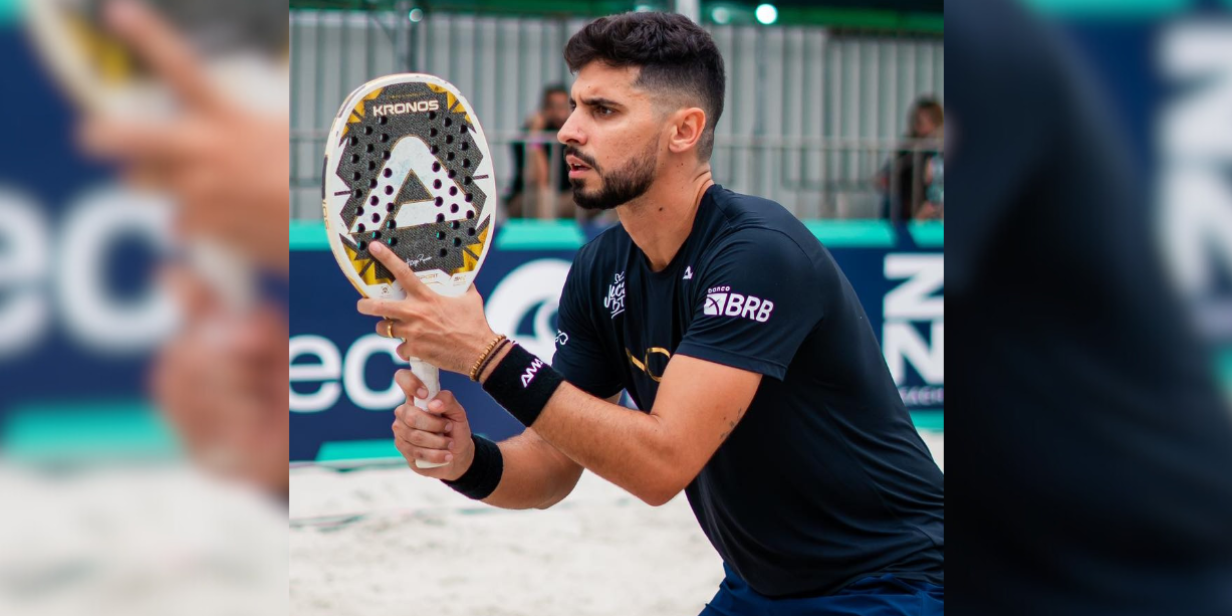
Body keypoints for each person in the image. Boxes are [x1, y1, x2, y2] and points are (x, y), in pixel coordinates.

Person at [358, 12, 943, 615]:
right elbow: (551, 469)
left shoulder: (760, 253)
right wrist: (465, 459)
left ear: (684, 130)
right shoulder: (600, 269)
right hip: (761, 587)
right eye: (575, 105)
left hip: (896, 580)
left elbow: (660, 465)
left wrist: (484, 355)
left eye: (602, 111)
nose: (567, 130)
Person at [504, 84, 575, 219]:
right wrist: (535, 134)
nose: (560, 114)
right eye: (555, 107)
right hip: (526, 199)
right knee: (543, 196)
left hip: (563, 199)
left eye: (564, 107)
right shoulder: (527, 137)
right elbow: (539, 179)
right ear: (545, 110)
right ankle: (546, 239)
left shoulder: (572, 136)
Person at [875, 97, 944, 222]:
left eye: (924, 120)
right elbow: (886, 175)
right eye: (917, 120)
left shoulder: (939, 148)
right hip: (909, 207)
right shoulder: (908, 147)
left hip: (933, 205)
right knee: (890, 201)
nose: (918, 124)